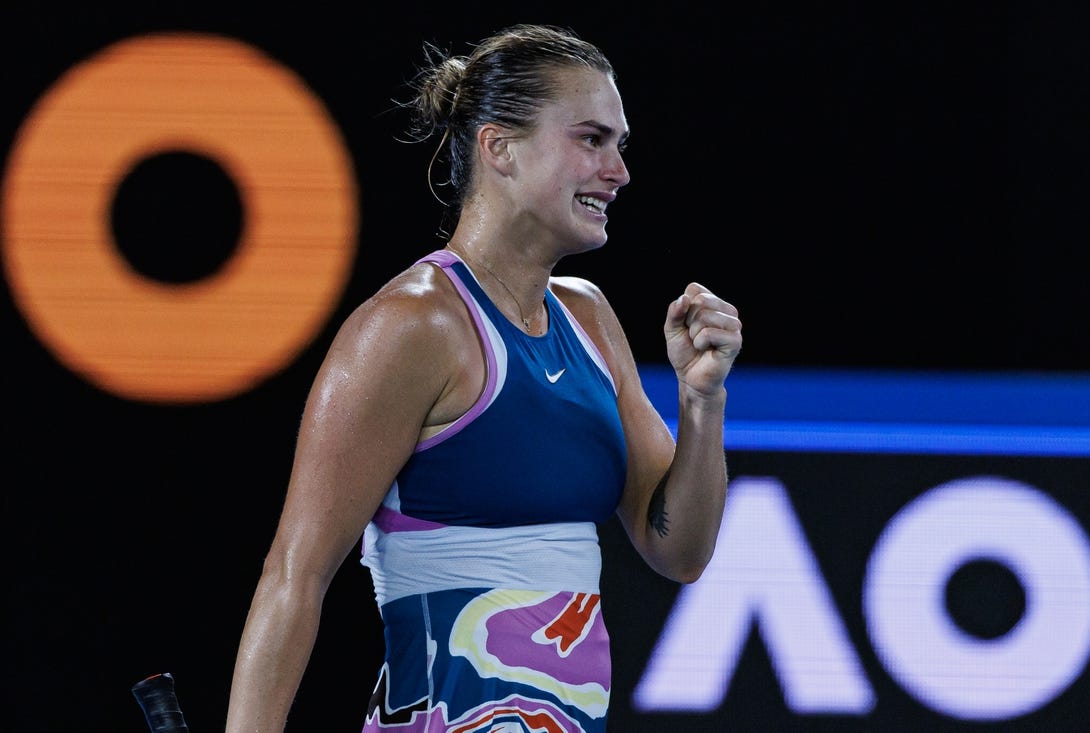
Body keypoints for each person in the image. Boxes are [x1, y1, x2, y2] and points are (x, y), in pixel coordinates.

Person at [225, 23, 742, 733]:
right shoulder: (412, 327)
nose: (618, 170)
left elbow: (679, 550)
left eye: (619, 145)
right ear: (498, 147)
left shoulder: (588, 318)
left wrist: (701, 399)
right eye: (591, 140)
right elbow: (294, 574)